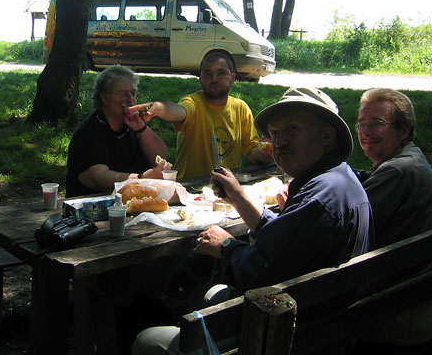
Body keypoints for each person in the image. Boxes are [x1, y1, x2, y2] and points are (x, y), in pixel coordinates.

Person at [131, 87, 375, 355]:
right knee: (208, 295)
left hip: (291, 338)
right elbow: (286, 240)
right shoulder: (338, 180)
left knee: (147, 340)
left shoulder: (319, 201)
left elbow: (260, 274)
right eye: (275, 133)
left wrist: (227, 247)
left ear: (327, 136)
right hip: (324, 326)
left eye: (292, 130)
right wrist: (236, 195)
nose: (279, 142)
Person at [355, 88, 432, 347]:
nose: (365, 132)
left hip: (410, 313)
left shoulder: (398, 172)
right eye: (362, 124)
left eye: (377, 124)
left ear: (405, 129)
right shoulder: (411, 158)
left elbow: (343, 232)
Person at [129, 52, 272, 180]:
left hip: (228, 186)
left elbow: (251, 150)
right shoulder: (193, 102)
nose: (214, 79)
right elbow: (179, 111)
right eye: (208, 74)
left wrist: (264, 155)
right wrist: (160, 108)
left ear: (233, 78)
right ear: (201, 80)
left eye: (221, 73)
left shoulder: (241, 108)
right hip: (191, 187)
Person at [66, 64, 169, 197]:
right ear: (104, 97)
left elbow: (162, 156)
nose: (130, 100)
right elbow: (98, 178)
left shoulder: (131, 125)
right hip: (92, 208)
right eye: (123, 94)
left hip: (130, 203)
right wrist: (141, 179)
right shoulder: (88, 133)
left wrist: (141, 128)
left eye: (133, 93)